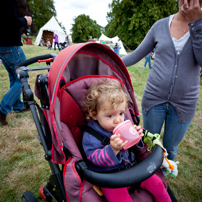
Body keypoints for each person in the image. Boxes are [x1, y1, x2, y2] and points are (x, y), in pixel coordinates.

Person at [121, 0, 202, 161]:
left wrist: (197, 24)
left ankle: (163, 180)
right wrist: (106, 58)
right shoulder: (160, 26)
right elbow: (136, 55)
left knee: (170, 148)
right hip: (154, 98)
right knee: (149, 144)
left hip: (184, 104)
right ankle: (147, 180)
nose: (189, 2)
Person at [82, 79, 171, 202]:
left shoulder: (123, 124)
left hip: (133, 168)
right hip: (110, 178)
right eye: (110, 115)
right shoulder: (91, 136)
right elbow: (94, 158)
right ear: (94, 114)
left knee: (158, 185)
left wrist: (138, 138)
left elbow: (135, 148)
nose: (118, 120)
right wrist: (112, 150)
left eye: (121, 113)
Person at [0, 0, 32, 126]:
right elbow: (10, 21)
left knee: (14, 76)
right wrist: (25, 21)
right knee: (23, 76)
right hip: (11, 45)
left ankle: (18, 106)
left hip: (2, 46)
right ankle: (3, 108)